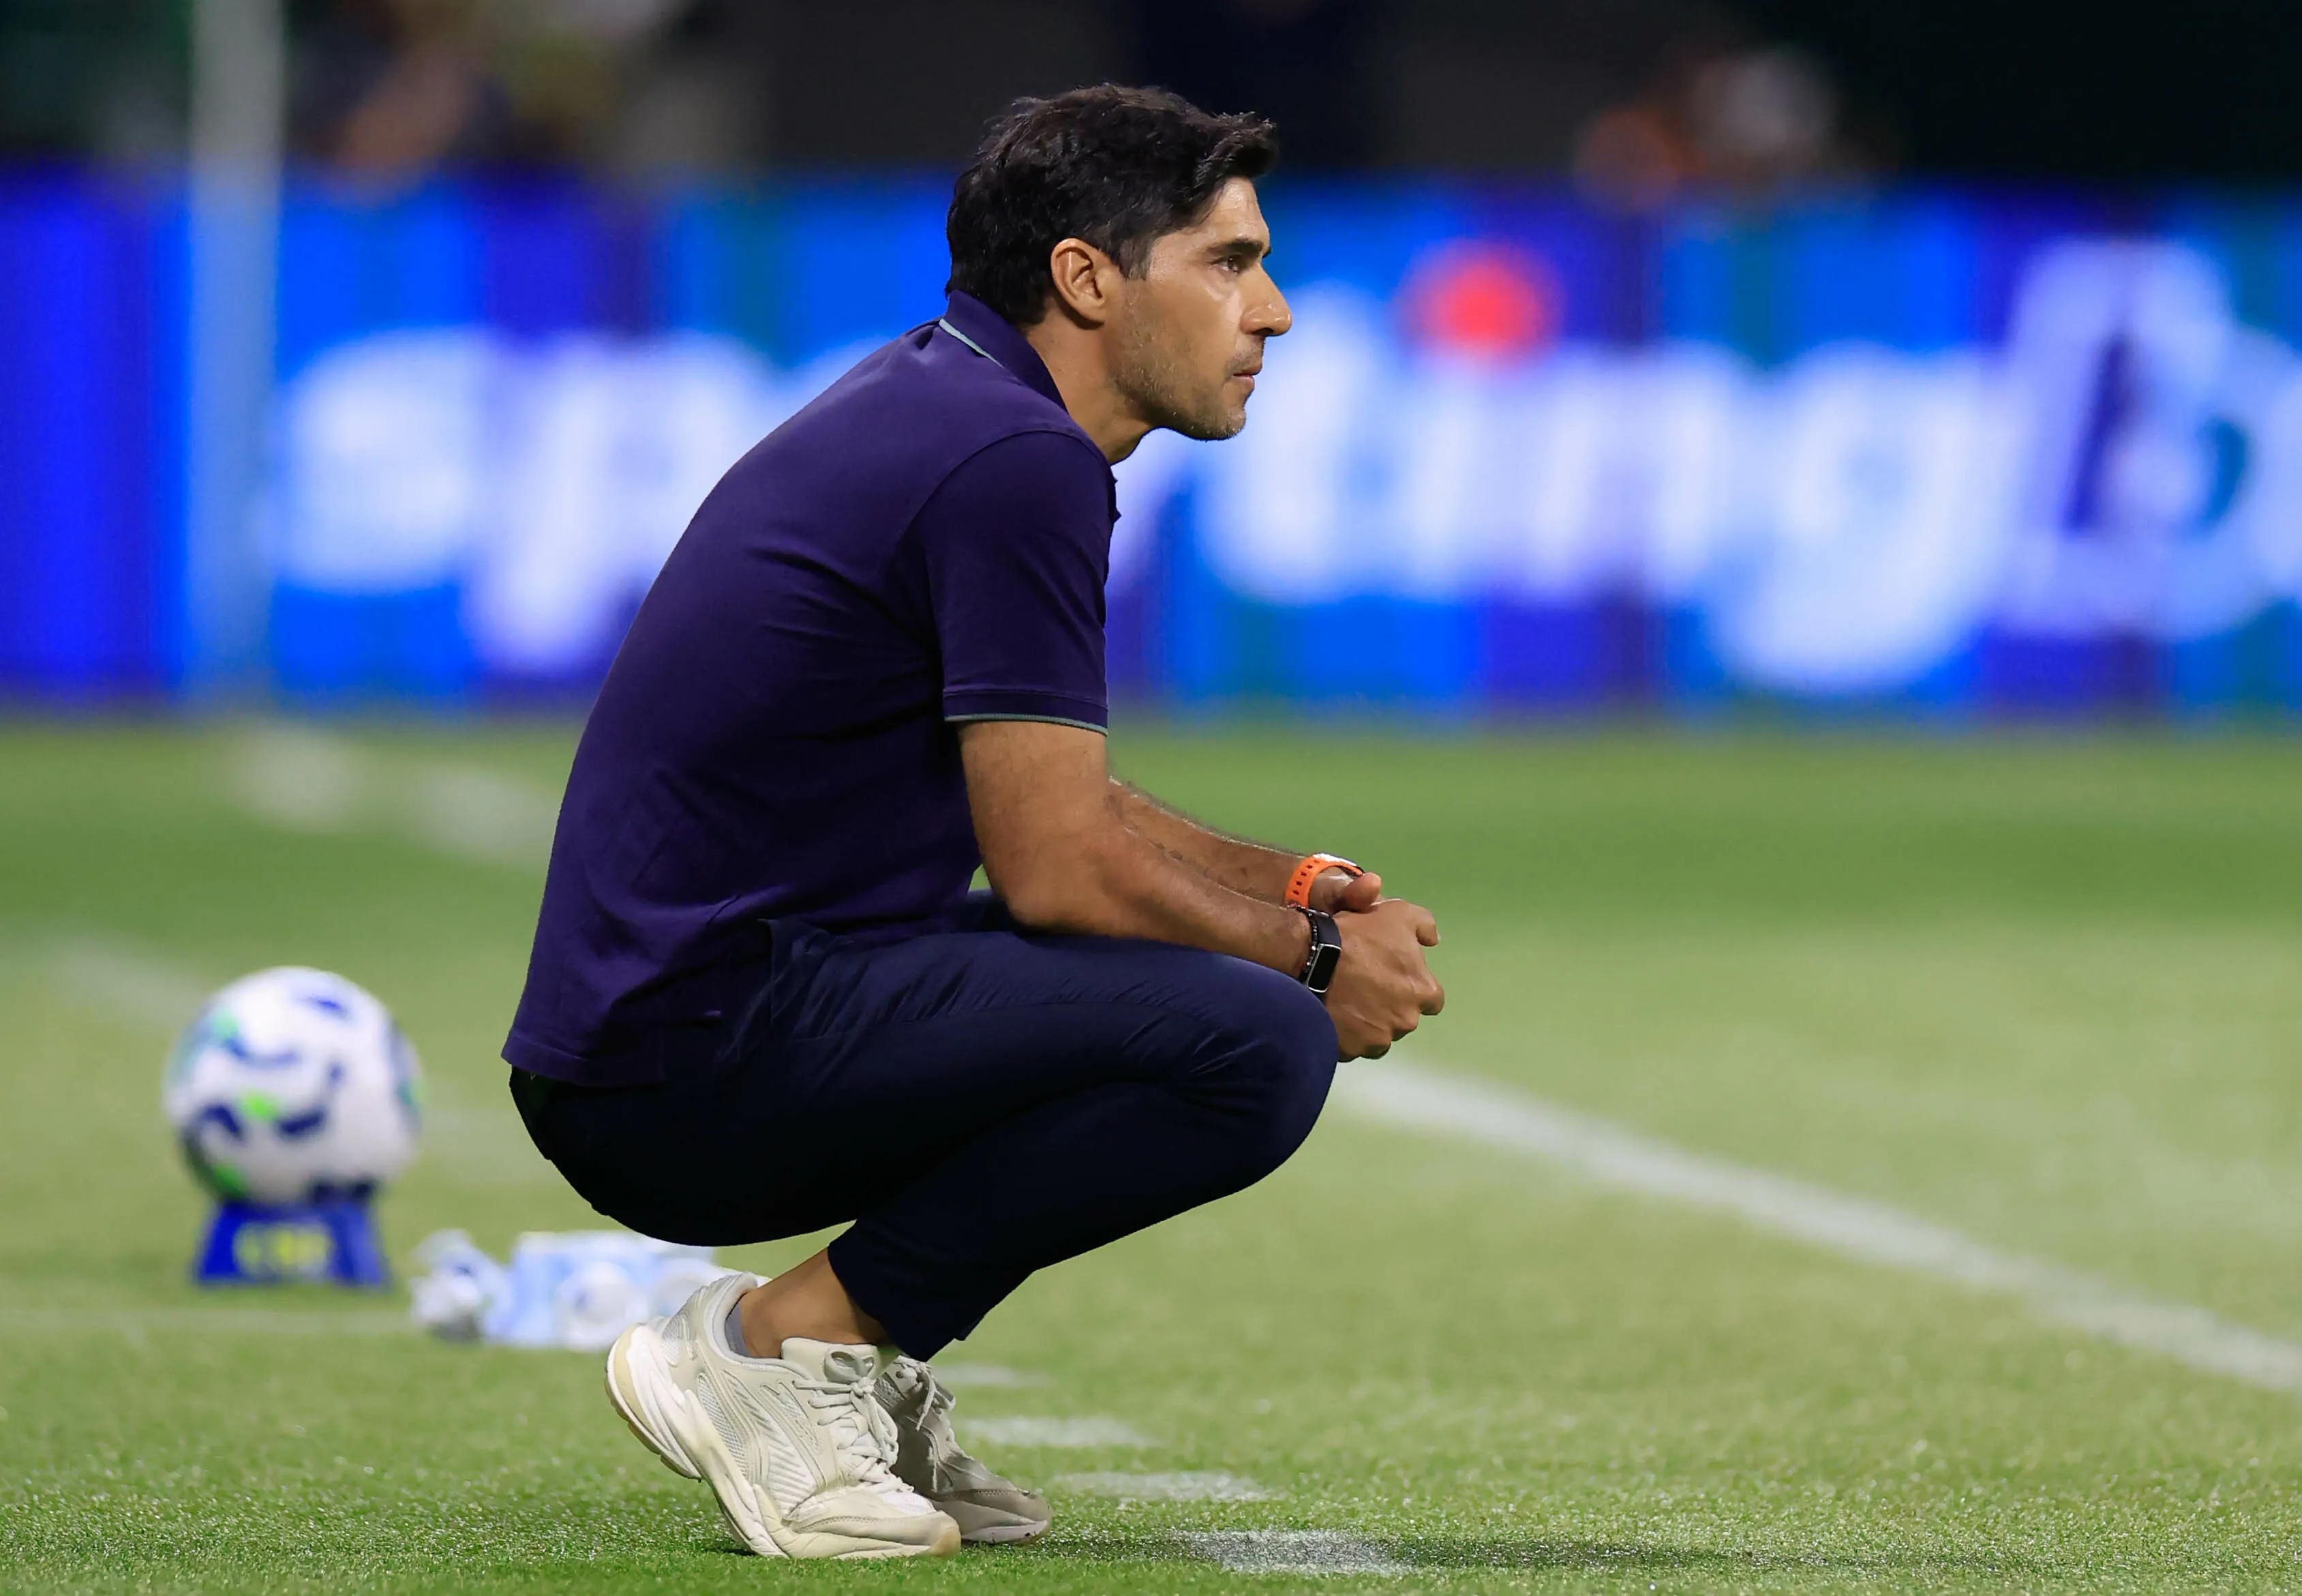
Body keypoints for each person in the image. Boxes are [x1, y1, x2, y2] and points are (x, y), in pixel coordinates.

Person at [503, 83, 1447, 1562]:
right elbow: (1057, 865)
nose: (1270, 310)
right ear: (1086, 276)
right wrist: (1311, 962)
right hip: (684, 1059)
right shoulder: (1015, 457)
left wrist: (1287, 887)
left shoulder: (955, 404)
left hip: (690, 1018)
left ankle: (829, 1351)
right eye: (1227, 261)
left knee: (1220, 998)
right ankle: (780, 1348)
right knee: (1256, 1045)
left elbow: (1049, 792)